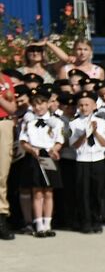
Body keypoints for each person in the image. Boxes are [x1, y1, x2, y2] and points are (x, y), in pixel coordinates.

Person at [16, 86, 63, 236]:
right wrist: (31, 149)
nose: (38, 107)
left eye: (41, 103)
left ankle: (48, 224)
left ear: (48, 103)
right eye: (35, 104)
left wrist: (55, 149)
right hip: (34, 156)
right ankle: (39, 224)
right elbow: (23, 141)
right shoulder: (28, 120)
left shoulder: (55, 121)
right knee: (37, 192)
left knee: (48, 191)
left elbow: (59, 140)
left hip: (48, 156)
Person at [68, 90, 105, 234]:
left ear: (94, 106)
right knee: (83, 192)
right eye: (81, 105)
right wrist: (85, 134)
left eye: (87, 105)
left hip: (98, 159)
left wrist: (95, 131)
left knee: (97, 191)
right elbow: (74, 144)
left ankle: (96, 219)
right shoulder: (74, 123)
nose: (84, 108)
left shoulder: (102, 122)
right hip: (82, 160)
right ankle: (85, 221)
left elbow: (104, 143)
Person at [0, 69, 18, 239]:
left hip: (3, 124)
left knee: (1, 173)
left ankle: (1, 217)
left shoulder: (5, 80)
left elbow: (12, 108)